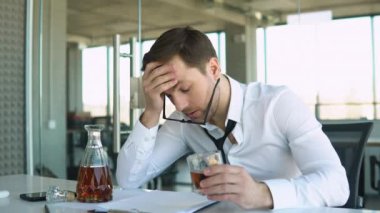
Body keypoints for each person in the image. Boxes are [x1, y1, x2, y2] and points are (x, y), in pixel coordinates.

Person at [116, 26, 349, 209]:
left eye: (185, 89)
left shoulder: (277, 104)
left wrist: (262, 193)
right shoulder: (184, 122)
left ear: (214, 69)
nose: (179, 104)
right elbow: (128, 180)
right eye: (168, 95)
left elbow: (337, 185)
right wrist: (152, 111)